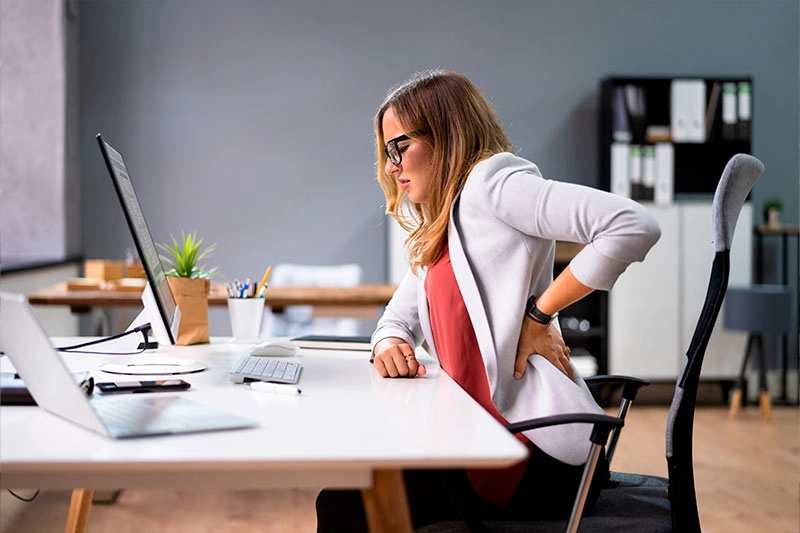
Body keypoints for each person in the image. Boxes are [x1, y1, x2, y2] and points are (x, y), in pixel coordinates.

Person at [315, 69, 660, 531]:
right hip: (479, 439)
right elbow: (395, 319)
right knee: (348, 497)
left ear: (445, 134)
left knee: (347, 506)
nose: (391, 164)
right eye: (386, 151)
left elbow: (632, 224)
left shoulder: (492, 182)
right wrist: (388, 345)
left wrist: (541, 314)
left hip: (534, 452)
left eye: (400, 146)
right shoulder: (443, 226)